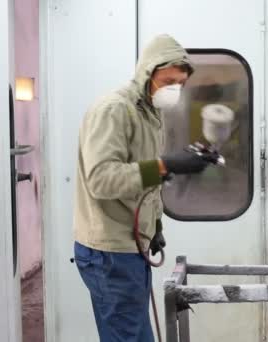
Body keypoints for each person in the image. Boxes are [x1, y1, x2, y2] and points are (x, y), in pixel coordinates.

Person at [72, 34, 211, 341]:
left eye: (181, 83)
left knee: (134, 335)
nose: (175, 88)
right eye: (169, 80)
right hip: (109, 252)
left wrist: (156, 224)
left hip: (132, 244)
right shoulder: (115, 110)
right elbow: (102, 179)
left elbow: (143, 178)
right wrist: (165, 165)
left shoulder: (150, 113)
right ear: (148, 71)